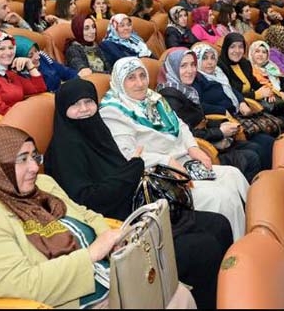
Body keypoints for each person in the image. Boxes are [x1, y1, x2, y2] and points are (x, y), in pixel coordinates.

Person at [0, 125, 195, 308]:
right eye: (22, 160)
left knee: (177, 292)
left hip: (106, 277)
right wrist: (91, 254)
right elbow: (18, 287)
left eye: (34, 156)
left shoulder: (41, 185)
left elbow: (85, 214)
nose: (34, 167)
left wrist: (112, 238)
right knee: (175, 299)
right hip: (64, 302)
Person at [45, 78, 229, 309]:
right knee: (204, 247)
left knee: (219, 224)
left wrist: (132, 168)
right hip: (118, 227)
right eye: (75, 105)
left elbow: (122, 173)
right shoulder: (65, 148)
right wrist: (134, 167)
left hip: (139, 208)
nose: (84, 109)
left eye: (88, 102)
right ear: (63, 110)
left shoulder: (97, 130)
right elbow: (88, 199)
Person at [99, 57, 250, 241]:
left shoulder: (154, 98)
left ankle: (252, 237)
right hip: (160, 175)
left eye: (142, 76)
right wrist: (165, 161)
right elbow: (128, 155)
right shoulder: (112, 111)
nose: (139, 83)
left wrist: (194, 147)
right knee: (223, 198)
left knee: (234, 176)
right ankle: (238, 251)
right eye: (131, 78)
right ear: (119, 82)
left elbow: (181, 125)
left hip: (185, 162)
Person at [158, 48, 266, 182]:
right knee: (252, 157)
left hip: (209, 137)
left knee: (256, 148)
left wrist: (220, 124)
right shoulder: (170, 96)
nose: (190, 70)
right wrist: (219, 132)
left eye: (192, 64)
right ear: (172, 68)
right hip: (199, 150)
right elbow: (185, 135)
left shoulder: (186, 90)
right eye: (183, 66)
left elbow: (200, 120)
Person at [191, 43, 275, 171]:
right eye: (204, 58)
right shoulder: (196, 79)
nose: (210, 62)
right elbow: (198, 105)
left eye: (212, 58)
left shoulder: (218, 72)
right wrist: (222, 110)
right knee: (262, 145)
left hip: (238, 114)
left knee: (270, 138)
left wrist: (241, 101)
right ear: (196, 61)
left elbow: (231, 90)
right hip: (224, 121)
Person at [218, 33, 284, 123]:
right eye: (232, 47)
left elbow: (254, 82)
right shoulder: (220, 67)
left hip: (253, 100)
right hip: (241, 107)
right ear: (226, 48)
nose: (237, 50)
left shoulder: (245, 63)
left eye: (240, 47)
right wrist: (257, 94)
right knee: (280, 120)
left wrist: (267, 91)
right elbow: (231, 94)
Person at [13, 35, 89, 92]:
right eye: (30, 55)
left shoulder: (42, 56)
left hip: (65, 92)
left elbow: (64, 71)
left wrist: (79, 80)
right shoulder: (19, 75)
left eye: (36, 51)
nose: (37, 57)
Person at [248, 40, 284, 110]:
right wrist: (275, 94)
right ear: (251, 53)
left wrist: (283, 92)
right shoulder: (249, 69)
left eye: (264, 52)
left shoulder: (271, 65)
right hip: (273, 100)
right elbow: (257, 88)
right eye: (257, 51)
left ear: (267, 55)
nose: (260, 54)